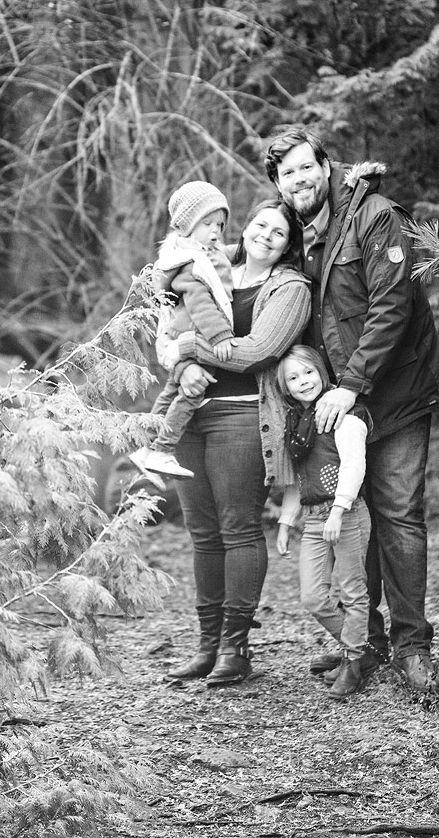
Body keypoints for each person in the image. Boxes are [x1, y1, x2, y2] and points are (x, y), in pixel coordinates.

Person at [265, 125, 439, 693]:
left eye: (306, 167)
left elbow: (391, 306)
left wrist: (349, 385)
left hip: (391, 394)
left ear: (326, 168)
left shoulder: (374, 215)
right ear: (278, 182)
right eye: (286, 172)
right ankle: (364, 641)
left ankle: (412, 645)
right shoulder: (300, 234)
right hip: (340, 404)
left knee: (398, 514)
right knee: (357, 521)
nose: (298, 179)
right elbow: (253, 265)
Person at [158, 199, 311, 687]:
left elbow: (258, 351)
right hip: (192, 414)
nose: (266, 235)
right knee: (202, 532)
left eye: (279, 233)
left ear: (289, 246)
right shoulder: (205, 265)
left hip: (244, 416)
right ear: (243, 228)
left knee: (238, 528)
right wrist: (182, 362)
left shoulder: (289, 288)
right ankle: (206, 644)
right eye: (260, 225)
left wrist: (190, 349)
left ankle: (235, 647)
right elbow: (165, 333)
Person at [275, 346, 371, 700]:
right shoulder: (295, 424)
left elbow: (353, 466)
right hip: (314, 520)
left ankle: (353, 660)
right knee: (313, 596)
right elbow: (297, 479)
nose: (303, 382)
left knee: (351, 590)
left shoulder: (345, 415)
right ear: (284, 387)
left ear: (322, 372)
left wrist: (338, 510)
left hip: (345, 514)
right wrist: (286, 523)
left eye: (308, 372)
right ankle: (363, 650)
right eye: (293, 378)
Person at [130, 180, 234, 479]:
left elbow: (227, 255)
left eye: (220, 224)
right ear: (188, 225)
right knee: (190, 394)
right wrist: (220, 336)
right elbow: (202, 304)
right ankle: (163, 450)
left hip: (185, 335)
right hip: (195, 335)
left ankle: (145, 446)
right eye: (207, 223)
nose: (215, 231)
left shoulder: (198, 252)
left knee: (171, 391)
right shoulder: (192, 263)